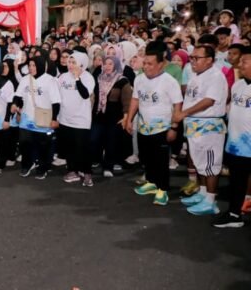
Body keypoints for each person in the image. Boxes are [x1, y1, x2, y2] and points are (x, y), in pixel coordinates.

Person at [125, 41, 183, 206]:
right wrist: (129, 119)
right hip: (143, 126)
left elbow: (177, 105)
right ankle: (151, 182)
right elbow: (135, 99)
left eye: (150, 64)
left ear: (160, 64)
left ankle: (162, 189)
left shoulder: (169, 81)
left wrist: (174, 128)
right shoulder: (139, 79)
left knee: (161, 161)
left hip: (162, 128)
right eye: (144, 63)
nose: (146, 66)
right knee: (146, 157)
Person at [175, 45, 228, 216]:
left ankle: (211, 201)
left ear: (209, 60)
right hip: (194, 125)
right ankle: (203, 193)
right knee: (200, 163)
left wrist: (184, 113)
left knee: (210, 165)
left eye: (196, 58)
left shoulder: (215, 76)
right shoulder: (196, 76)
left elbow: (208, 101)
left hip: (209, 126)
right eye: (191, 57)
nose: (192, 61)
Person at [215, 46, 251, 227]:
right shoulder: (238, 85)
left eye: (245, 61)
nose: (240, 64)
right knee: (236, 181)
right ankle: (234, 215)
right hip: (236, 145)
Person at [13, 54, 61, 179]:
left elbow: (56, 102)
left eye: (34, 65)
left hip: (43, 118)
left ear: (40, 66)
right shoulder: (25, 79)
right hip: (26, 118)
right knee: (24, 143)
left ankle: (42, 168)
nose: (31, 67)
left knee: (43, 145)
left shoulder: (50, 80)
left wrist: (54, 119)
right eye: (29, 65)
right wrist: (15, 105)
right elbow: (18, 95)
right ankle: (27, 165)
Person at [57, 52, 96, 186]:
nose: (70, 65)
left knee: (82, 148)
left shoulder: (88, 77)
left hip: (81, 120)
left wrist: (77, 78)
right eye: (69, 62)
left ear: (81, 64)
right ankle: (72, 170)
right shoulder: (63, 77)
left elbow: (85, 94)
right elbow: (58, 95)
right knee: (69, 147)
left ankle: (87, 173)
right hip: (65, 118)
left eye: (74, 62)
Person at [91, 55, 132, 178]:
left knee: (111, 143)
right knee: (94, 140)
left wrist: (126, 117)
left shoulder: (122, 80)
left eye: (110, 64)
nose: (107, 66)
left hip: (115, 118)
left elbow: (127, 101)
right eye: (105, 63)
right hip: (99, 116)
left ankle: (108, 167)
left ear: (116, 65)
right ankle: (96, 161)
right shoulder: (98, 79)